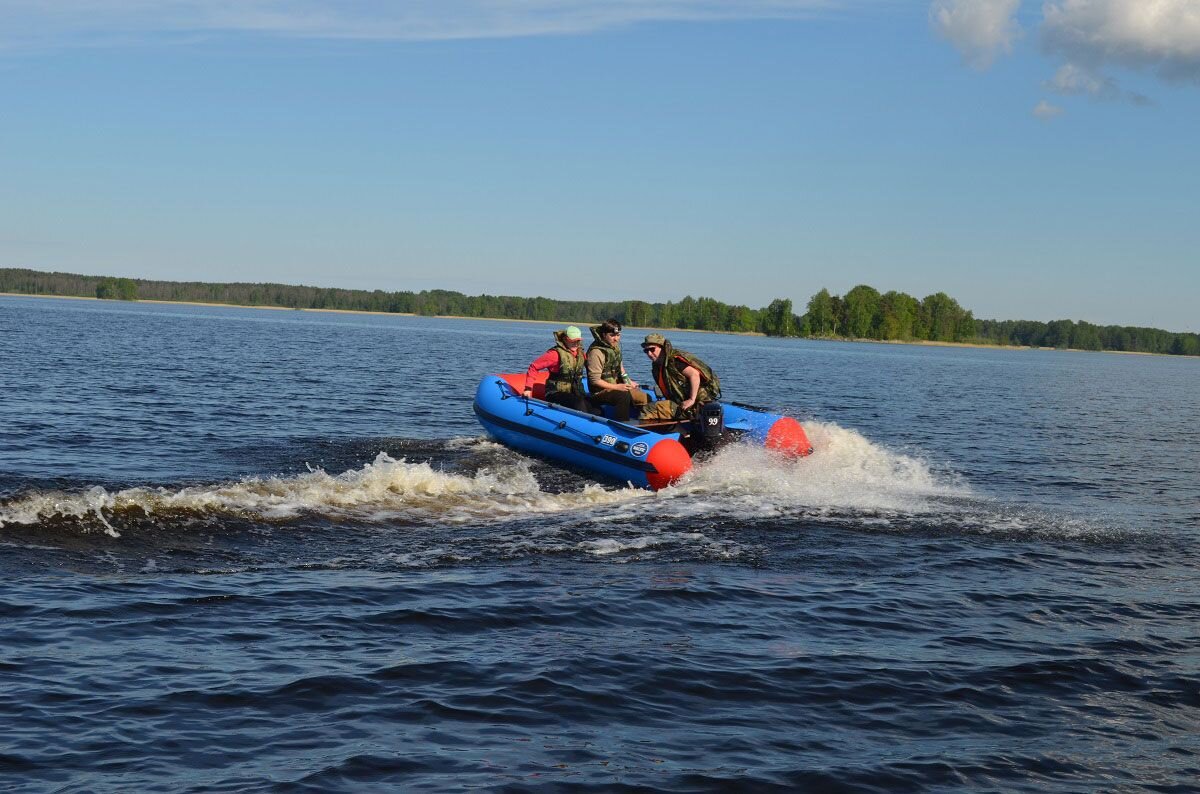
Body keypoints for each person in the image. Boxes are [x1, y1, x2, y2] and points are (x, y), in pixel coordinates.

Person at [638, 333, 722, 420]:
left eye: (652, 349)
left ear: (662, 348)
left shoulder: (674, 361)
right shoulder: (658, 365)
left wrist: (691, 399)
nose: (649, 353)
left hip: (696, 405)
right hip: (681, 403)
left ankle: (648, 432)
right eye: (646, 351)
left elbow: (694, 374)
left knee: (648, 409)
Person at [585, 319, 650, 421]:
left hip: (615, 386)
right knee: (623, 396)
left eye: (618, 335)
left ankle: (644, 422)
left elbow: (621, 370)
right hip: (599, 392)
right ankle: (622, 423)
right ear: (604, 335)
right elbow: (595, 380)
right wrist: (617, 387)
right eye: (612, 335)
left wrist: (629, 382)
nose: (616, 339)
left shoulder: (614, 348)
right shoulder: (596, 352)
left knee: (645, 397)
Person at [522, 325, 589, 412]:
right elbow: (534, 367)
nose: (576, 343)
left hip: (574, 391)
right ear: (565, 339)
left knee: (596, 409)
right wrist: (528, 389)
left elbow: (592, 367)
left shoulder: (581, 354)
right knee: (578, 403)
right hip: (555, 392)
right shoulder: (554, 354)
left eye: (578, 341)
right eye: (572, 341)